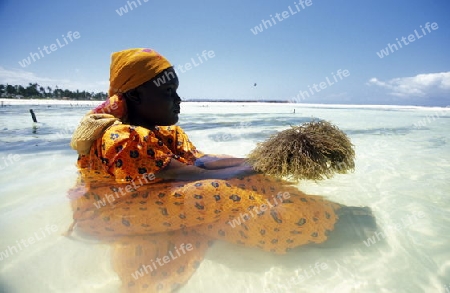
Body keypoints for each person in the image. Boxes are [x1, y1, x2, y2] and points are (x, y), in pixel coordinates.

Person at [68, 48, 375, 293]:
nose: (178, 100)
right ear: (134, 96)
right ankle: (318, 229)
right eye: (168, 93)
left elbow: (201, 162)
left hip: (148, 194)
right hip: (107, 211)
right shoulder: (121, 137)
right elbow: (192, 176)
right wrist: (250, 167)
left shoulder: (165, 132)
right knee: (215, 194)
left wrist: (258, 164)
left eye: (177, 91)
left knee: (247, 175)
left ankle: (320, 214)